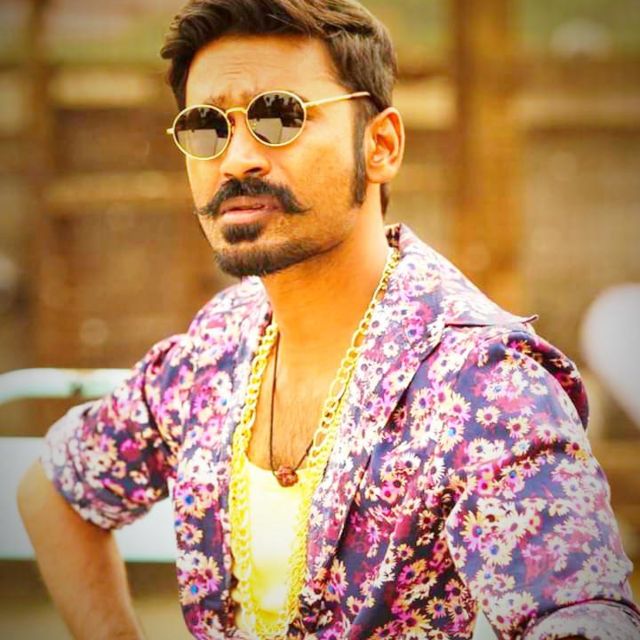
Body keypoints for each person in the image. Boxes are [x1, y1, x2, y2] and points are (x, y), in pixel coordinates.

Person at [17, 1, 640, 639]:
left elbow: (583, 617)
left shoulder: (481, 386)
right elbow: (54, 491)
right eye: (207, 126)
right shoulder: (216, 351)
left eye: (279, 116)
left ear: (380, 145)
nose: (235, 159)